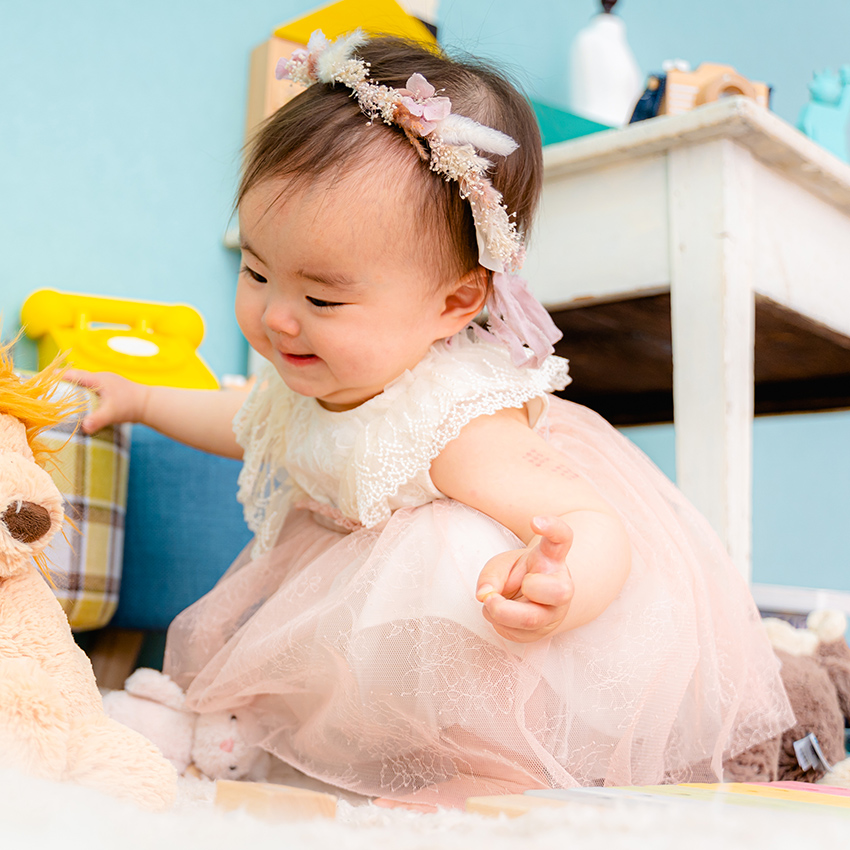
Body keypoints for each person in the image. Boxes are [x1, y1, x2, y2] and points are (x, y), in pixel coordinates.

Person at [66, 32, 792, 807]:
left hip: (505, 624)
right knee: (325, 630)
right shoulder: (309, 381)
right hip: (375, 614)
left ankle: (490, 767)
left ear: (454, 303)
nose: (276, 316)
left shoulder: (457, 427)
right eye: (256, 271)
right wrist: (142, 400)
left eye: (323, 298)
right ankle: (310, 746)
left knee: (445, 559)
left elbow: (592, 522)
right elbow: (246, 419)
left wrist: (562, 587)